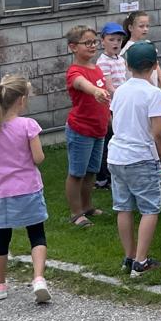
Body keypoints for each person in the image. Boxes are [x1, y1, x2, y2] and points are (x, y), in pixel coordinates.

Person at [0, 75, 50, 303]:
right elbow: (38, 158)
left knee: (2, 237)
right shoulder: (28, 126)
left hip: (2, 193)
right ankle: (38, 278)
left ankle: (0, 285)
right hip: (29, 189)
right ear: (22, 100)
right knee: (36, 233)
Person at [110, 41, 161, 279]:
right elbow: (159, 131)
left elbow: (113, 119)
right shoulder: (153, 93)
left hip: (116, 156)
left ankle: (129, 256)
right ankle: (141, 261)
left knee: (123, 207)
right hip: (141, 157)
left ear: (127, 66)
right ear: (154, 66)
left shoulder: (120, 91)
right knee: (150, 208)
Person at [64, 25, 111, 227]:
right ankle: (76, 213)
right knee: (77, 173)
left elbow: (104, 95)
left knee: (92, 171)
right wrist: (95, 91)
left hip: (98, 130)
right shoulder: (74, 72)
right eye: (87, 43)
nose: (92, 46)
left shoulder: (97, 68)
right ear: (73, 47)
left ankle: (87, 206)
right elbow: (82, 84)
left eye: (94, 42)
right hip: (80, 130)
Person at [95, 21, 129, 191]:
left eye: (119, 40)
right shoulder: (103, 62)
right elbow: (109, 87)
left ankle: (115, 172)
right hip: (109, 107)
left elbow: (125, 80)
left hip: (120, 105)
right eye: (111, 40)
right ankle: (102, 178)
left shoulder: (121, 59)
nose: (116, 43)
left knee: (118, 139)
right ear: (103, 41)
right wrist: (125, 97)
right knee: (108, 141)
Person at [124, 11, 161, 95]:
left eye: (147, 26)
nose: (145, 29)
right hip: (139, 92)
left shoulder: (149, 44)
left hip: (152, 90)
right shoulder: (129, 49)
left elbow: (156, 65)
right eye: (141, 26)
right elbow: (141, 73)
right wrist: (154, 88)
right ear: (130, 28)